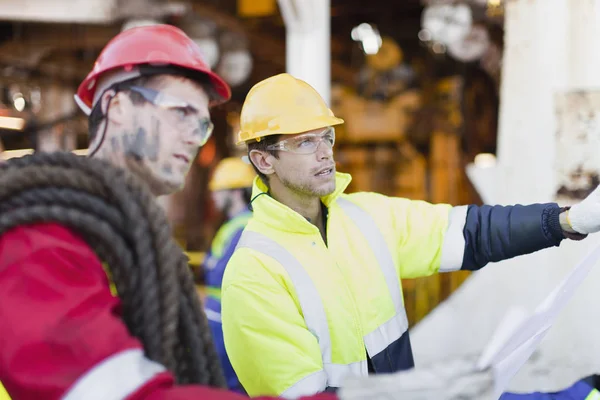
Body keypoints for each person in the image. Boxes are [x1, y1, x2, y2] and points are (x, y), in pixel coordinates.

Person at [0, 26, 334, 400]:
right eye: (180, 113)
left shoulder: (139, 243)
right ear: (118, 107)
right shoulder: (35, 239)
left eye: (202, 123)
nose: (194, 136)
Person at [221, 72, 600, 398]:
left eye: (326, 137)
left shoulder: (366, 216)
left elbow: (471, 232)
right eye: (305, 142)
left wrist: (568, 220)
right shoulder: (254, 273)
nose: (325, 153)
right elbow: (305, 398)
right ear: (263, 160)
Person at [203, 156, 255, 393]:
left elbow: (218, 275)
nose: (213, 197)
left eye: (218, 191)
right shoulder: (234, 225)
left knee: (230, 388)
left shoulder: (244, 228)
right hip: (221, 320)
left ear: (234, 193)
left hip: (228, 323)